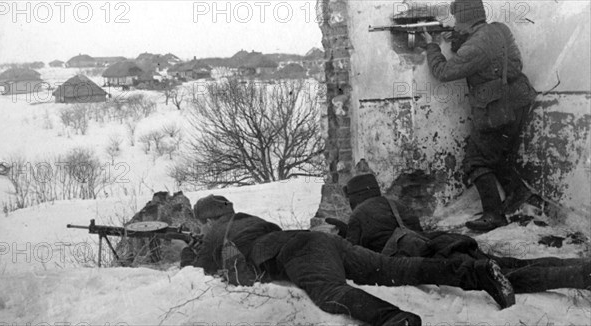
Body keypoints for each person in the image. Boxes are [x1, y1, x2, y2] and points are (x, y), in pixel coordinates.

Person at [181, 195, 515, 326]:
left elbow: (195, 272)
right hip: (322, 243)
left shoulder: (216, 232)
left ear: (209, 220)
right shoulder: (248, 219)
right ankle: (477, 271)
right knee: (394, 269)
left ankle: (394, 320)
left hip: (300, 253)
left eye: (203, 223)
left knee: (329, 293)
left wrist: (188, 249)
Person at [331, 174, 591, 294]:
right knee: (511, 264)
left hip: (433, 257)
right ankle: (576, 264)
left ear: (355, 197)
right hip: (444, 242)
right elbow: (413, 232)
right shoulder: (394, 204)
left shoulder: (357, 216)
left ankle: (576, 275)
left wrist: (343, 234)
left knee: (507, 279)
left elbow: (355, 254)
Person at [422, 0, 538, 232]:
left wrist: (432, 46)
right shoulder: (497, 29)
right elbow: (488, 60)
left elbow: (444, 72)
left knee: (476, 161)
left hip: (497, 107)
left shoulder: (476, 45)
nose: (454, 24)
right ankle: (519, 193)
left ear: (466, 19)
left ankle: (493, 216)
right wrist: (457, 37)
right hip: (518, 100)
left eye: (457, 20)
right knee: (497, 155)